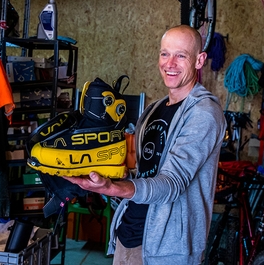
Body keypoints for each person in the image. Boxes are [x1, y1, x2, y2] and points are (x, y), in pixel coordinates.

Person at [64, 25, 227, 264]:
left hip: (167, 249)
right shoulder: (153, 110)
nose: (170, 63)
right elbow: (141, 172)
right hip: (128, 235)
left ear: (199, 60)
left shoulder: (204, 113)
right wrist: (98, 173)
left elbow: (172, 184)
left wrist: (112, 188)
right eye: (164, 54)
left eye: (181, 55)